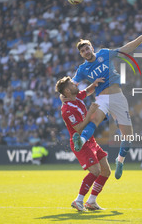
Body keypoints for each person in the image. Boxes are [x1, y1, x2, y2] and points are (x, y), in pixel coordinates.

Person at [71, 31, 142, 180]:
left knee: (128, 136)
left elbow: (125, 49)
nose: (85, 52)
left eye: (87, 48)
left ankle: (119, 161)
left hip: (118, 97)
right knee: (94, 120)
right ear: (81, 55)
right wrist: (64, 92)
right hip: (102, 98)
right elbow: (72, 85)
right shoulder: (82, 69)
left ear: (92, 48)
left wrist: (141, 37)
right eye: (82, 51)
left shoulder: (105, 54)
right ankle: (81, 141)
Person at [56, 76, 111, 211]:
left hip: (90, 139)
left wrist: (95, 84)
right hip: (80, 142)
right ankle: (78, 200)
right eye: (72, 84)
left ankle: (91, 201)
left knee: (106, 171)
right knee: (96, 171)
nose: (76, 85)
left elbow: (87, 90)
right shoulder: (67, 110)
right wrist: (91, 113)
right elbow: (79, 128)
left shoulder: (77, 97)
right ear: (68, 91)